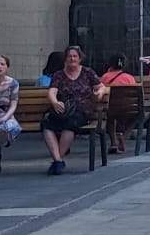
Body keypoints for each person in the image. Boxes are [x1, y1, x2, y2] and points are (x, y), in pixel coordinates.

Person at [41, 45, 105, 175]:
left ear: (80, 58)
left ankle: (57, 161)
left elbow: (101, 86)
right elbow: (52, 91)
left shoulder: (88, 72)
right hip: (63, 108)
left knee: (70, 124)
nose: (72, 58)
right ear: (65, 59)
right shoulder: (58, 75)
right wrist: (54, 102)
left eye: (75, 56)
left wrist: (99, 93)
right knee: (46, 124)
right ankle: (58, 160)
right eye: (69, 56)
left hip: (82, 110)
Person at [99, 54, 139, 154]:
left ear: (110, 65)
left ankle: (113, 142)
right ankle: (124, 137)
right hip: (129, 110)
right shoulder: (129, 78)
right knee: (138, 117)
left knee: (109, 119)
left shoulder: (105, 77)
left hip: (110, 109)